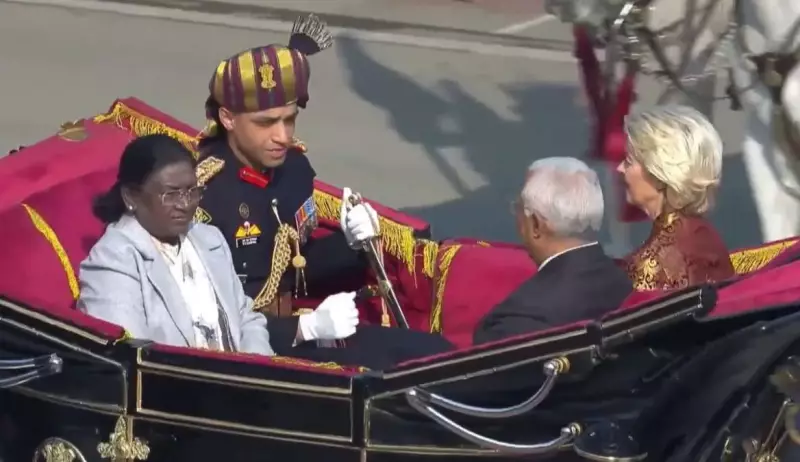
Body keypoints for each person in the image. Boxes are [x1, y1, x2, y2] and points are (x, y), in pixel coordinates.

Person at [77, 135, 359, 356]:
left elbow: (247, 319)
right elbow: (130, 358)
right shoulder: (114, 261)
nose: (185, 205)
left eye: (192, 191)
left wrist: (260, 376)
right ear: (131, 197)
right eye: (170, 195)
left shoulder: (207, 239)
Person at [193, 14, 379, 321]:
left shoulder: (295, 168)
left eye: (289, 119)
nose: (283, 136)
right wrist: (301, 331)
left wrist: (350, 244)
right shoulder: (202, 193)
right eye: (265, 123)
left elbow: (295, 267)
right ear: (227, 119)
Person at [345, 157, 634, 347]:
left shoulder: (515, 322)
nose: (515, 216)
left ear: (535, 225)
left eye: (518, 208)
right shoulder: (619, 281)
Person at [618, 105, 735, 291]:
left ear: (659, 174)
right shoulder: (696, 232)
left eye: (629, 162)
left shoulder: (666, 257)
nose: (620, 169)